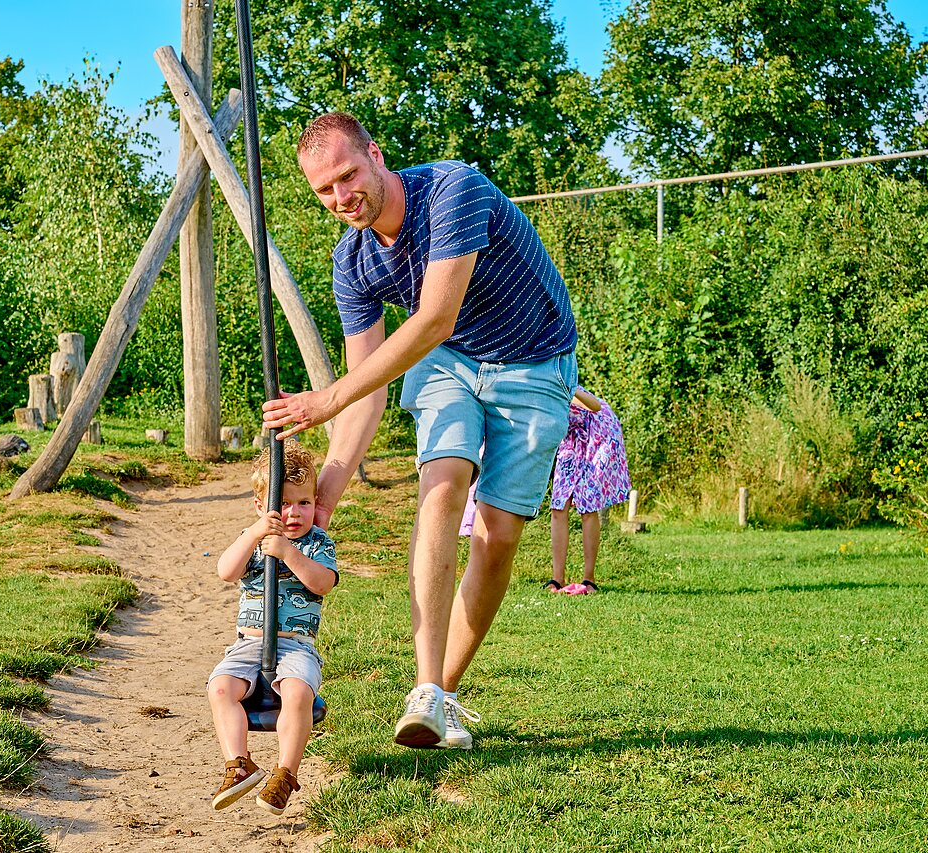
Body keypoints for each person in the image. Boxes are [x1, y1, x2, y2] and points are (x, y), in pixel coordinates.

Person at [263, 112, 578, 751]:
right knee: (442, 486)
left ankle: (443, 696)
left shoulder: (453, 191)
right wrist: (327, 487)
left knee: (496, 535)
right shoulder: (353, 261)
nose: (341, 197)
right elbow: (368, 387)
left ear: (376, 156)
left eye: (348, 176)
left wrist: (324, 399)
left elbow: (433, 317)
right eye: (323, 190)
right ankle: (425, 689)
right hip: (448, 365)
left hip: (534, 362)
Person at [207, 440, 338, 815]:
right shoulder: (253, 540)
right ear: (260, 507)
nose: (293, 513)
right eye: (282, 504)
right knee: (220, 689)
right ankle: (239, 765)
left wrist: (288, 553)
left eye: (304, 503)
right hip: (248, 645)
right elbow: (226, 572)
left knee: (299, 694)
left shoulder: (316, 543)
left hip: (296, 646)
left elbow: (322, 583)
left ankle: (284, 774)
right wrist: (253, 536)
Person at [546, 387, 630, 595]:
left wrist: (568, 387)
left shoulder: (561, 379)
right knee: (558, 506)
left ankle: (589, 579)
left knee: (587, 507)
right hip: (571, 439)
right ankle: (557, 579)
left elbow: (595, 405)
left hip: (599, 435)